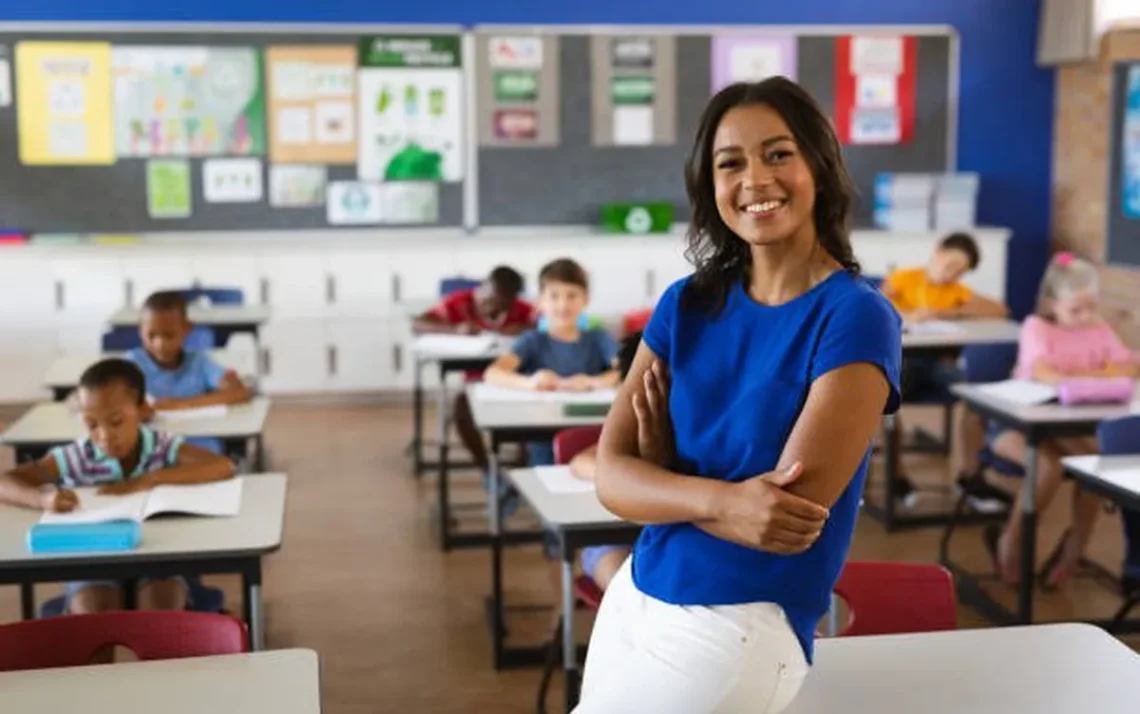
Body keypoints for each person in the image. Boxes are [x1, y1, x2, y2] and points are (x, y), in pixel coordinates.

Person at [572, 78, 901, 713]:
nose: (755, 179)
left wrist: (663, 480)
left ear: (819, 166)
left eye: (778, 154)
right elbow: (612, 478)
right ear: (709, 184)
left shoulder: (856, 317)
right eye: (731, 162)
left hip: (738, 621)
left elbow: (782, 520)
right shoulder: (684, 305)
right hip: (637, 596)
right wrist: (722, 497)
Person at [0, 358, 236, 617]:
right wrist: (42, 498)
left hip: (157, 558)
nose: (104, 436)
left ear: (142, 410)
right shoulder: (77, 457)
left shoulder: (160, 447)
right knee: (95, 610)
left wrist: (151, 479)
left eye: (116, 421)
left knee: (162, 607)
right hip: (92, 560)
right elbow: (5, 482)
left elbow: (222, 465)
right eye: (92, 425)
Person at [961, 252, 1138, 587]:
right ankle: (1011, 541)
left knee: (1095, 466)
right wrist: (1101, 373)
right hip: (1013, 425)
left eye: (1092, 306)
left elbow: (1130, 366)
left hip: (1069, 424)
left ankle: (1074, 549)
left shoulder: (1098, 328)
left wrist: (1076, 375)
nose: (1086, 316)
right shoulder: (1036, 328)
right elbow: (1046, 374)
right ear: (1051, 303)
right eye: (1076, 309)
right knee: (1048, 468)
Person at [880, 232, 1009, 507]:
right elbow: (877, 303)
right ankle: (897, 476)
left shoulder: (954, 293)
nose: (951, 274)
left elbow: (999, 310)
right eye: (950, 264)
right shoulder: (905, 278)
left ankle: (970, 476)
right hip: (899, 362)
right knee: (882, 397)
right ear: (937, 251)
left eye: (960, 271)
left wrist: (947, 313)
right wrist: (906, 314)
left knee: (976, 397)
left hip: (935, 366)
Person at [484, 258, 620, 467]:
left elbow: (627, 370)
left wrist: (595, 381)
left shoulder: (598, 337)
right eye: (554, 296)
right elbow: (493, 373)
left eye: (572, 295)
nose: (563, 304)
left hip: (593, 434)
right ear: (540, 302)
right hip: (543, 438)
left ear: (586, 299)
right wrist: (532, 382)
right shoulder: (533, 340)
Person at [414, 266, 536, 471]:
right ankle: (486, 467)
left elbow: (546, 325)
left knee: (530, 411)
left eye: (500, 304)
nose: (490, 307)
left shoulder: (521, 309)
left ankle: (521, 470)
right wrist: (454, 329)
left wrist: (523, 329)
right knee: (462, 407)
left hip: (514, 381)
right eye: (487, 299)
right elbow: (418, 324)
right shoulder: (460, 302)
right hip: (476, 383)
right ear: (482, 287)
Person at [128, 290, 254, 454]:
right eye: (151, 336)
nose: (160, 344)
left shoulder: (199, 362)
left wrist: (178, 405)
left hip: (200, 441)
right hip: (151, 444)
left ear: (187, 328)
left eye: (169, 335)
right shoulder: (131, 364)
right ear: (139, 330)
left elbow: (239, 392)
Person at [566, 331, 644, 591]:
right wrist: (628, 477)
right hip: (617, 540)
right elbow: (581, 461)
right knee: (625, 590)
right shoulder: (631, 423)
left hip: (682, 537)